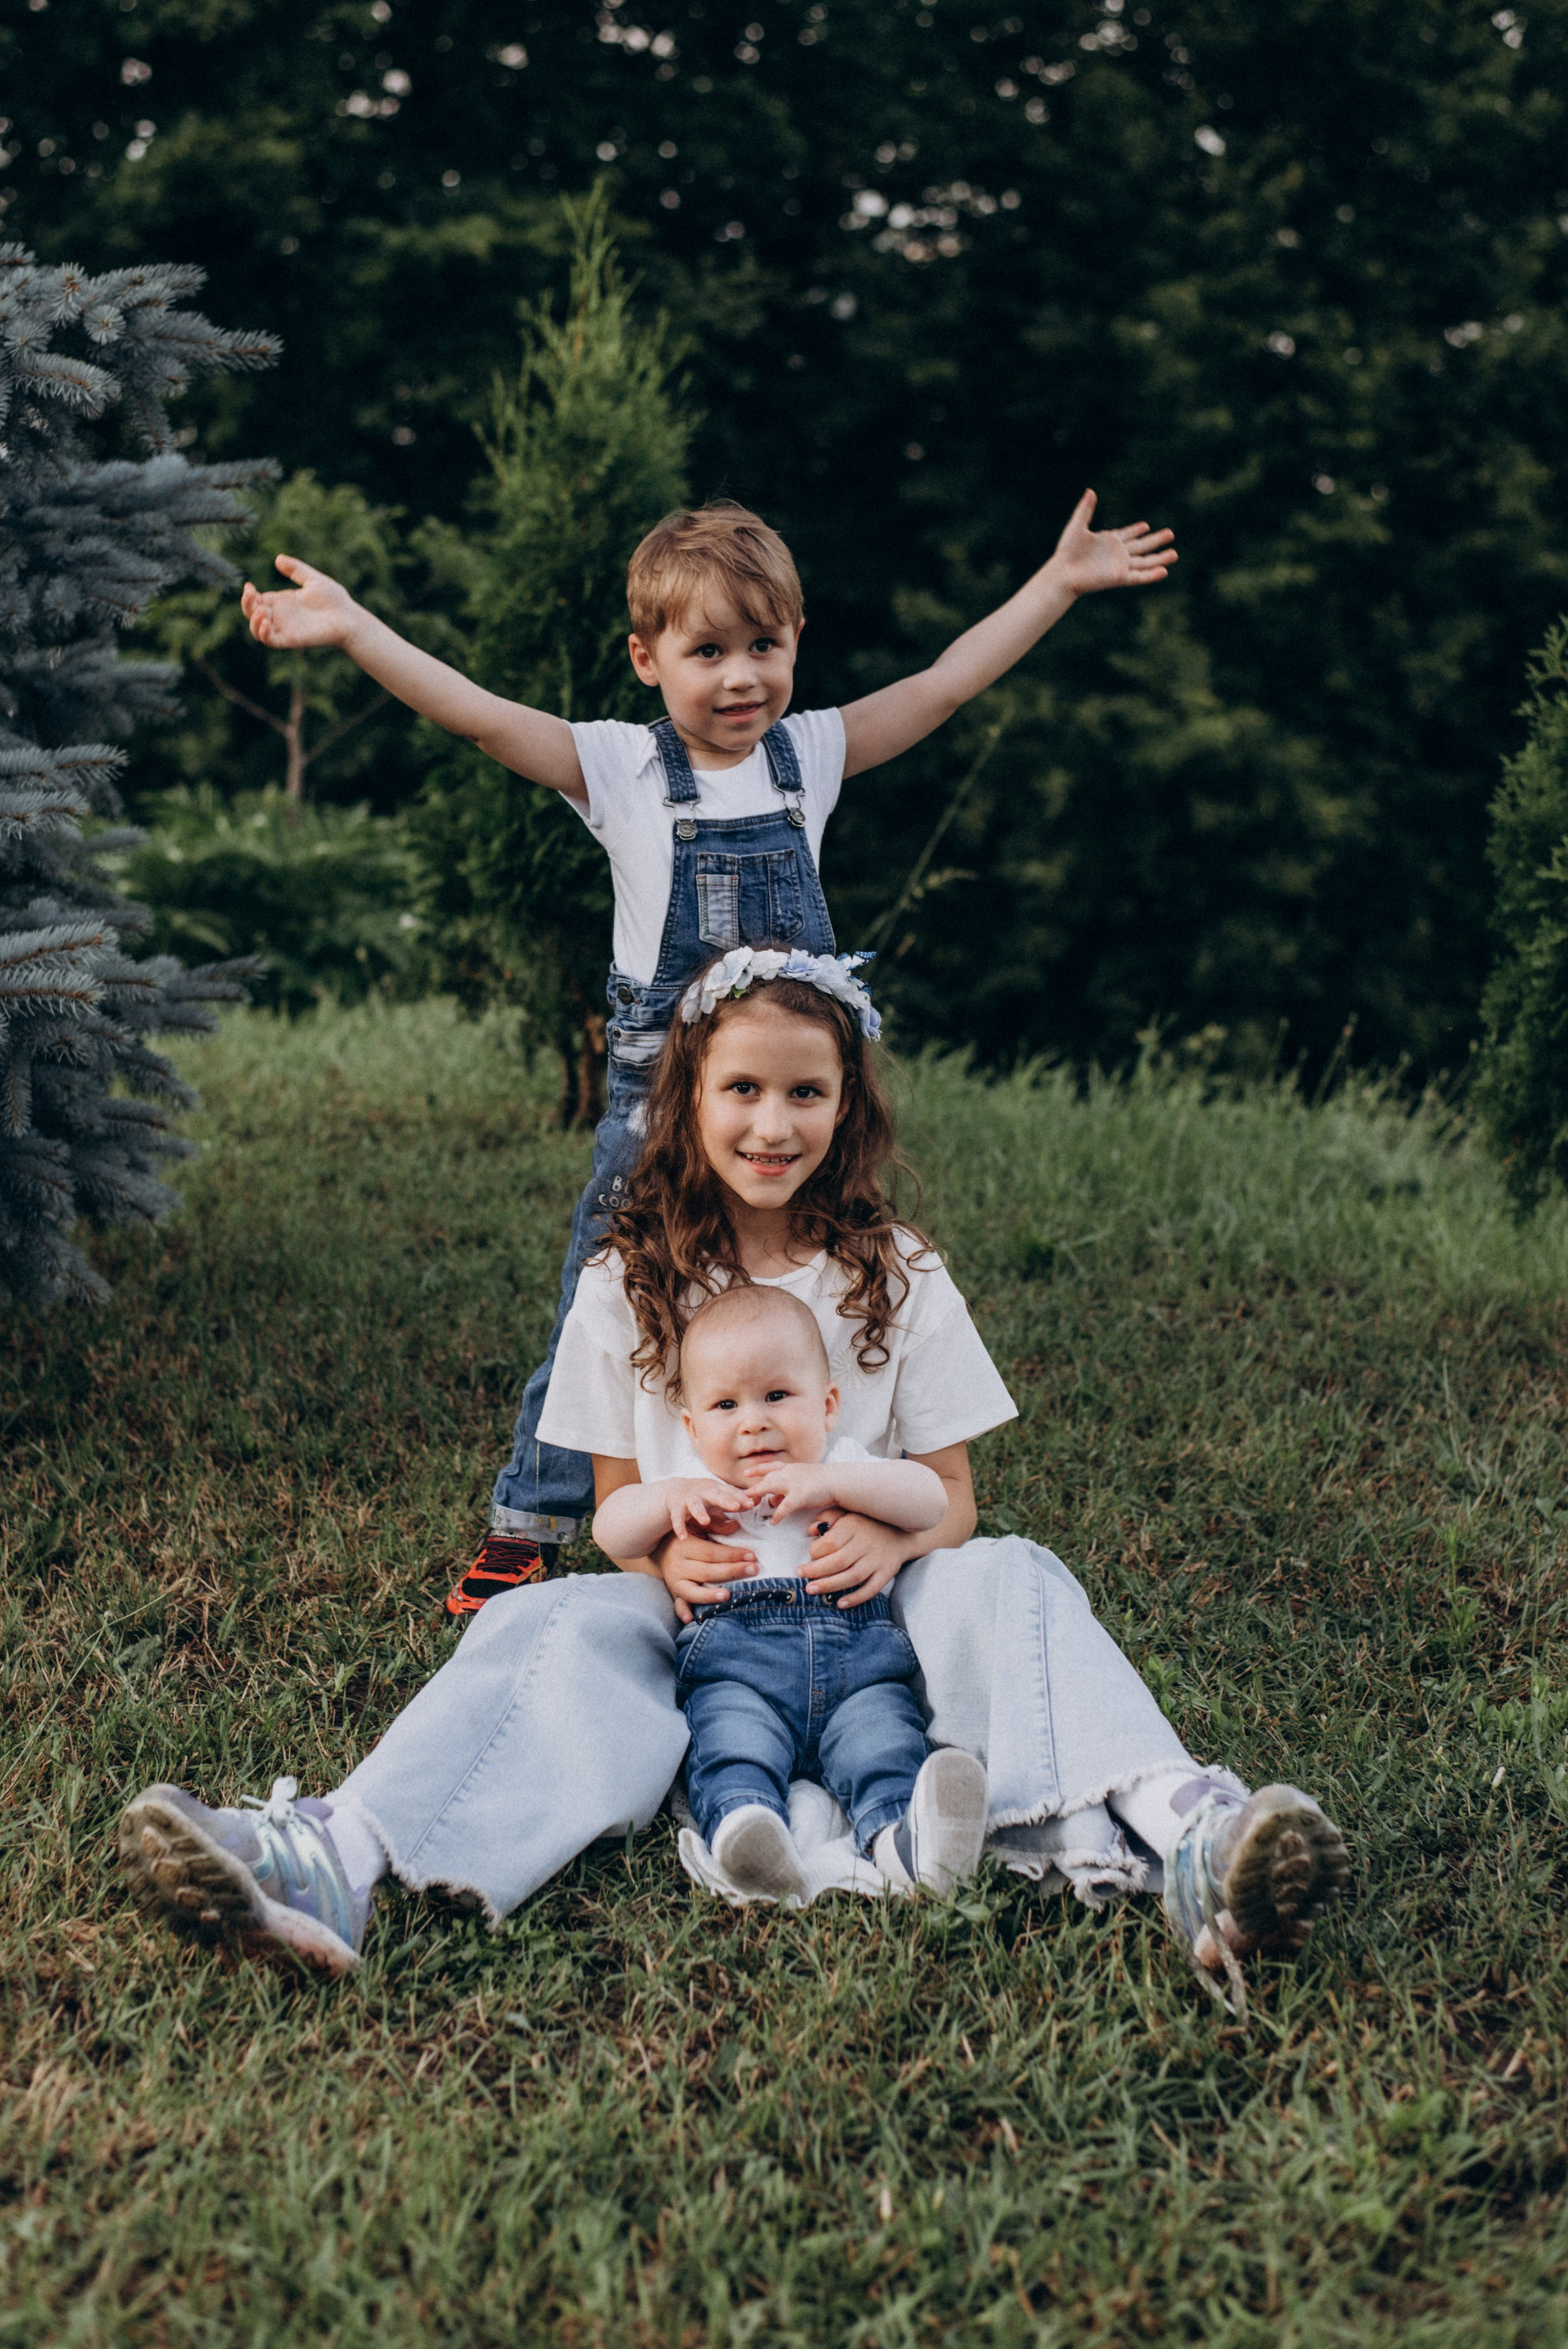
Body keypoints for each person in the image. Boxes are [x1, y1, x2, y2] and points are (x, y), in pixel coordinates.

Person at [117, 959, 1349, 2019]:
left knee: (1016, 1570)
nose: (773, 1123)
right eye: (742, 1089)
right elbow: (613, 1512)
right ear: (687, 1100)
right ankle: (337, 1851)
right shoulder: (625, 1276)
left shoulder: (899, 1270)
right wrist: (665, 1565)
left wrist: (886, 1529)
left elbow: (956, 1495)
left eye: (805, 1091)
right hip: (699, 1610)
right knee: (540, 1618)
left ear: (848, 1104)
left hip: (879, 1594)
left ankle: (1186, 1825)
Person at [237, 491, 1177, 1612]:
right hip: (661, 1104)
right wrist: (355, 627)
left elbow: (945, 685)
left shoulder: (807, 756)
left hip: (794, 1095)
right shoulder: (623, 770)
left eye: (764, 647)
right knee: (615, 1291)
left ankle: (846, 1479)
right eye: (708, 651)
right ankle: (529, 1520)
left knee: (836, 1271)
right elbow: (482, 716)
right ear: (647, 658)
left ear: (795, 645)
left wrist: (1056, 584)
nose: (741, 678)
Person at [594, 1281, 991, 1903]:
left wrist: (833, 1482)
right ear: (694, 1428)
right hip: (738, 1673)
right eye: (726, 1407)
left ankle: (908, 1844)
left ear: (828, 1407)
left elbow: (932, 1498)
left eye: (778, 1396)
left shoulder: (846, 1465)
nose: (755, 1421)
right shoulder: (693, 1486)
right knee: (733, 1745)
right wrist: (668, 1505)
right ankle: (748, 1833)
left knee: (884, 1745)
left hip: (860, 1673)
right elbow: (610, 1524)